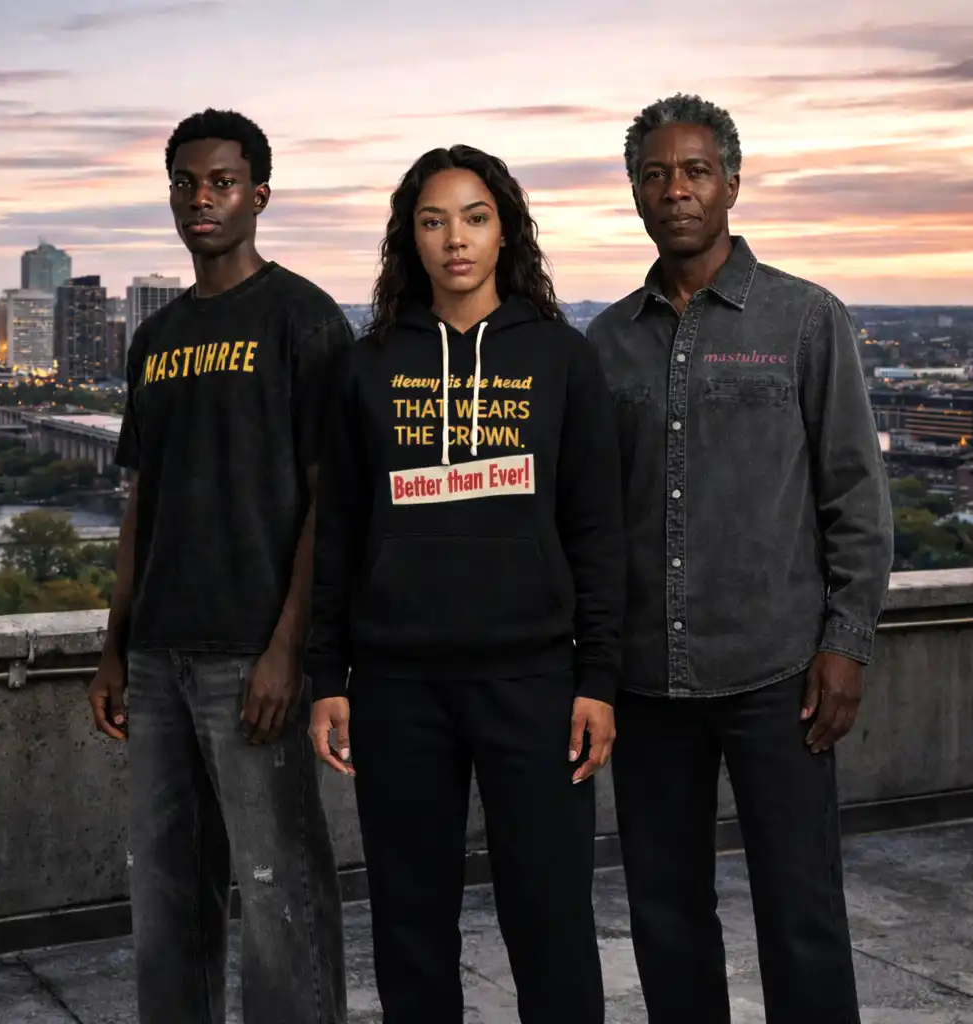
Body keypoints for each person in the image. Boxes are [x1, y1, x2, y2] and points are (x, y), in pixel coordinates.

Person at [587, 93, 894, 1023]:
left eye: (694, 171)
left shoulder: (804, 320)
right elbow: (590, 521)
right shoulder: (604, 343)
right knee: (666, 915)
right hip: (647, 685)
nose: (675, 190)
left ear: (731, 183)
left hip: (778, 676)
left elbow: (855, 495)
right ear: (635, 192)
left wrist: (847, 643)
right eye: (655, 174)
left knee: (800, 911)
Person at [306, 144, 626, 1022]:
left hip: (532, 682)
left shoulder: (561, 358)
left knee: (552, 918)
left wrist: (596, 678)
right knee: (411, 926)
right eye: (434, 220)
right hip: (397, 685)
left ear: (505, 231)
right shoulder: (369, 365)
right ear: (408, 238)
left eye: (476, 218)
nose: (456, 240)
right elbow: (337, 533)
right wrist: (327, 678)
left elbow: (597, 530)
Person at [87, 107, 349, 1024]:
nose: (203, 199)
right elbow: (138, 505)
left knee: (281, 898)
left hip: (251, 655)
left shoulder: (304, 320)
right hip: (158, 658)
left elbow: (330, 501)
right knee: (164, 900)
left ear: (259, 196)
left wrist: (291, 650)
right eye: (187, 184)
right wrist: (117, 645)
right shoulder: (154, 340)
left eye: (222, 182)